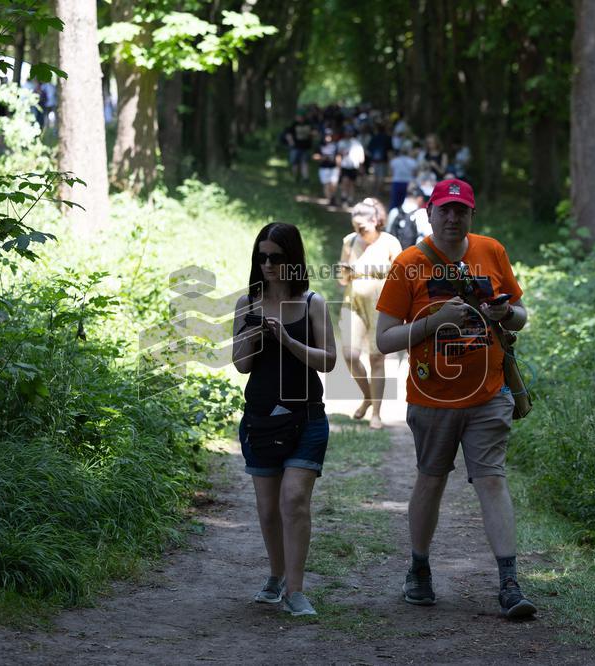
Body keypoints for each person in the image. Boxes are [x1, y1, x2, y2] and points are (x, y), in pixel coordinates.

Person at [374, 178, 536, 619]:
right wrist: (434, 322)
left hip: (489, 393)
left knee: (492, 480)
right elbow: (385, 339)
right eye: (444, 210)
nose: (452, 218)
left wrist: (506, 313)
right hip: (432, 398)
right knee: (431, 479)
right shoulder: (409, 264)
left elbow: (521, 317)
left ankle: (509, 582)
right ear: (429, 213)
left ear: (471, 215)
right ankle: (419, 569)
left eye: (460, 211)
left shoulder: (492, 251)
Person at [232, 223, 337, 617]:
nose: (268, 264)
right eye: (261, 257)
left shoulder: (312, 302)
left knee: (293, 499)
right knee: (267, 507)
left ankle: (296, 590)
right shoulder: (247, 303)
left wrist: (290, 341)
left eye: (276, 257)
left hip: (306, 415)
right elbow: (241, 365)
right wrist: (254, 335)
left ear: (293, 259)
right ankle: (276, 577)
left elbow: (328, 361)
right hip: (260, 417)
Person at [337, 199, 402, 429]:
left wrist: (369, 270)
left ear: (375, 221)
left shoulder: (390, 243)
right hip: (352, 302)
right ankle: (367, 395)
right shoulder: (350, 241)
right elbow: (341, 279)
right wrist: (344, 273)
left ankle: (376, 412)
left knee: (376, 357)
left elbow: (401, 277)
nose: (359, 232)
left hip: (381, 307)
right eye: (355, 227)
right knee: (349, 355)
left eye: (362, 228)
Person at [386, 183, 431, 251]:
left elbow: (387, 233)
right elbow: (429, 237)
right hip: (413, 257)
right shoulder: (422, 214)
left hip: (394, 256)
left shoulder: (394, 212)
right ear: (420, 198)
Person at [337, 126, 365, 206]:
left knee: (352, 183)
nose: (348, 134)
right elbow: (339, 155)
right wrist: (338, 167)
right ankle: (344, 197)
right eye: (347, 132)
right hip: (345, 166)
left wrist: (361, 166)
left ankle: (350, 198)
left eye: (350, 132)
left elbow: (361, 156)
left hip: (354, 166)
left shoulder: (357, 143)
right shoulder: (341, 142)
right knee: (345, 182)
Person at [313, 128, 340, 205]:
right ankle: (330, 200)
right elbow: (314, 156)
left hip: (333, 168)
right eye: (326, 135)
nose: (328, 137)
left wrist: (339, 167)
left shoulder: (335, 145)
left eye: (330, 135)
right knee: (326, 185)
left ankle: (333, 197)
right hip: (323, 168)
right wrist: (322, 158)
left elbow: (338, 156)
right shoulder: (319, 145)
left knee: (333, 184)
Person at [285, 112, 315, 183]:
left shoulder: (308, 123)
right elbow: (288, 134)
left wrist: (312, 135)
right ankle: (295, 177)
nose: (299, 118)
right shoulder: (294, 124)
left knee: (305, 162)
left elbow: (314, 132)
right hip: (295, 147)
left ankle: (305, 178)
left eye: (300, 116)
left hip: (305, 147)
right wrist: (291, 143)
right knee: (295, 163)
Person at [388, 145, 418, 212]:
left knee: (395, 202)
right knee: (407, 202)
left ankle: (392, 216)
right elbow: (415, 174)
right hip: (408, 183)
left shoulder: (394, 161)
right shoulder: (412, 161)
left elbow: (391, 173)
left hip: (397, 182)